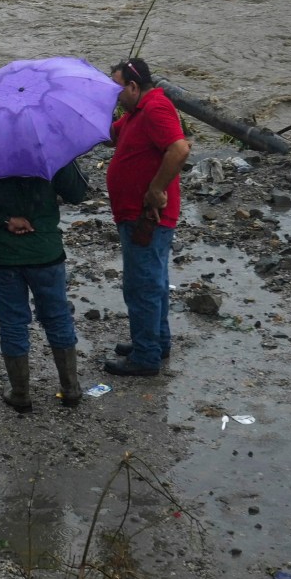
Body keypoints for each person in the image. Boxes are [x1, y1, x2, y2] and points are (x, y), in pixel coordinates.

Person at [0, 157, 88, 412]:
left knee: (12, 321)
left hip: (1, 254)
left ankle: (20, 393)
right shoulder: (50, 147)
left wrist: (5, 219)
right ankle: (70, 389)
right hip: (45, 251)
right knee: (58, 316)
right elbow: (76, 193)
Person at [103, 57, 191, 377]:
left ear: (133, 86)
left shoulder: (155, 108)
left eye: (116, 90)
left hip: (147, 215)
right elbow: (107, 135)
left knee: (141, 286)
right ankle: (156, 343)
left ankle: (146, 356)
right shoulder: (134, 113)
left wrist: (156, 189)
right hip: (136, 215)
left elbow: (179, 149)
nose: (115, 96)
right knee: (153, 282)